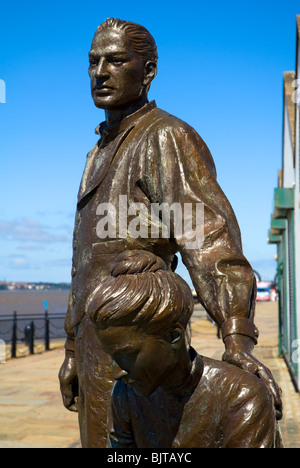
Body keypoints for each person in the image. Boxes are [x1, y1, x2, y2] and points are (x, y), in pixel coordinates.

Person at [59, 18, 282, 448]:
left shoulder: (165, 136)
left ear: (148, 72)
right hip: (95, 353)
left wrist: (236, 335)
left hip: (140, 358)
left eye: (116, 60)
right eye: (93, 61)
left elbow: (210, 242)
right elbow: (83, 263)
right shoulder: (98, 150)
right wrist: (72, 348)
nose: (100, 72)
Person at [86, 250, 281, 448]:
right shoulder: (125, 395)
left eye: (127, 354)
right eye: (112, 356)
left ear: (174, 337)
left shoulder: (242, 398)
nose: (116, 372)